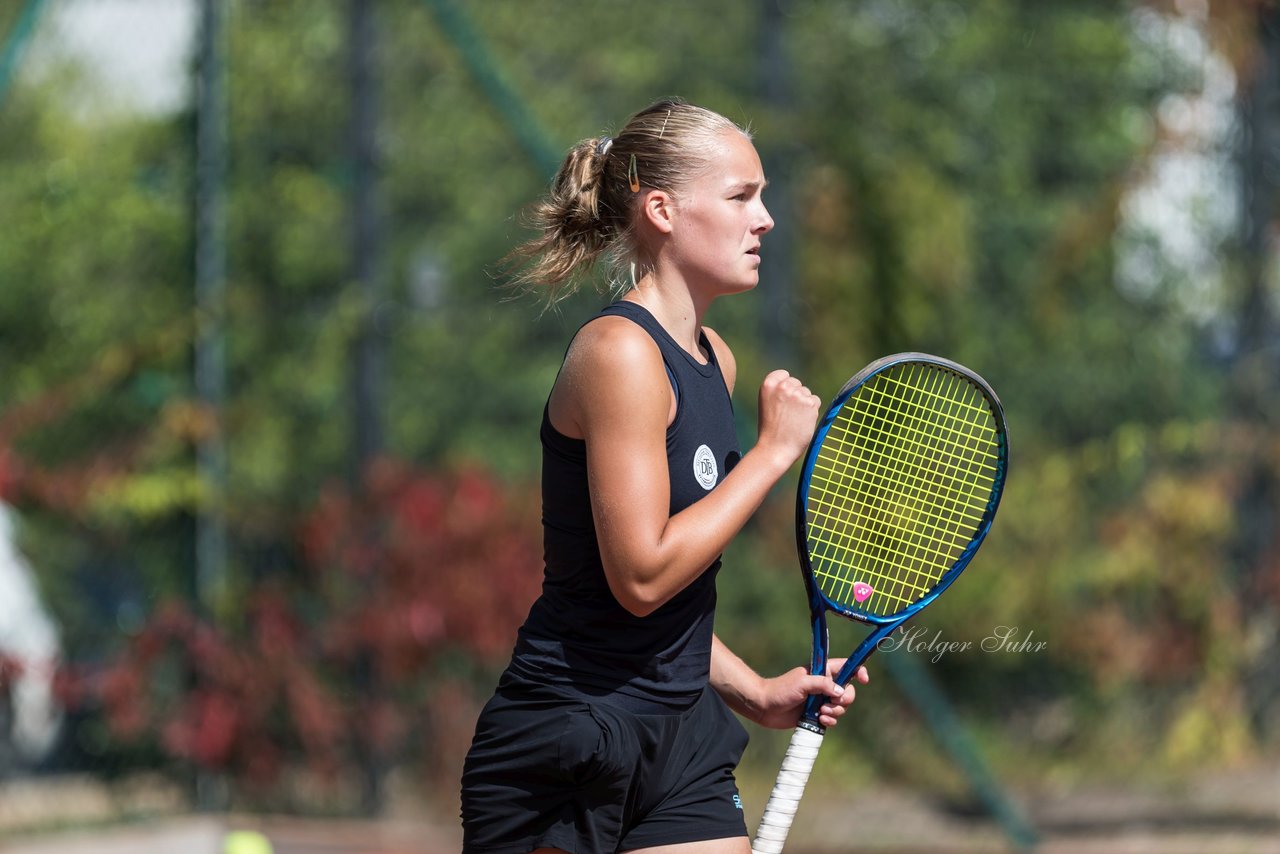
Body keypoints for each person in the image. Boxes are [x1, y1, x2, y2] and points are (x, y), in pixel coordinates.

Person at [460, 98, 870, 854]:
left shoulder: (715, 357)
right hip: (571, 735)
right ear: (663, 210)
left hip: (681, 737)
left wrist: (754, 692)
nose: (766, 219)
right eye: (742, 196)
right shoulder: (618, 353)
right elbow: (642, 576)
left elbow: (667, 602)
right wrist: (773, 454)